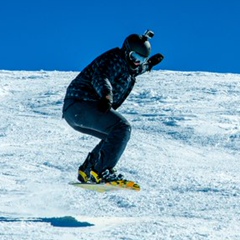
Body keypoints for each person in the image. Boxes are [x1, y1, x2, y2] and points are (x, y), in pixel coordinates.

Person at [62, 30, 164, 183]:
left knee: (113, 137)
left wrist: (148, 65)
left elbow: (136, 70)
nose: (136, 62)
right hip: (80, 104)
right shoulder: (114, 59)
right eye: (134, 57)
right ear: (126, 51)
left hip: (75, 111)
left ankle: (87, 171)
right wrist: (107, 95)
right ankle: (102, 171)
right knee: (122, 128)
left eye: (141, 59)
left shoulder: (130, 66)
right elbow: (101, 77)